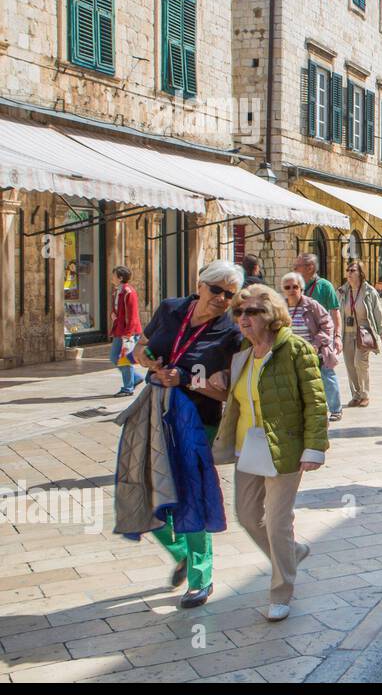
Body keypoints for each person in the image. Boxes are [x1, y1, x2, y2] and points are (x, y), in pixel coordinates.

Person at [129, 260, 244, 608]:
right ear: (200, 285)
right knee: (145, 489)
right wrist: (151, 363)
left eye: (230, 294)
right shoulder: (170, 309)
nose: (222, 299)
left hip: (198, 420)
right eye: (217, 290)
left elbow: (228, 393)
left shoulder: (230, 334)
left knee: (190, 495)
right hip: (155, 411)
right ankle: (179, 552)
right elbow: (138, 349)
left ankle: (200, 578)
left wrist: (186, 379)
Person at [214, 284, 326, 622]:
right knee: (247, 515)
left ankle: (281, 591)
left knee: (277, 521)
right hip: (249, 444)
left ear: (271, 314)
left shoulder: (295, 349)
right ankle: (292, 553)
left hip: (286, 445)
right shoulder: (242, 354)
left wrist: (314, 447)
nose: (244, 319)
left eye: (252, 312)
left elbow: (316, 403)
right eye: (239, 312)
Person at [294, 253, 344, 423]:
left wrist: (337, 336)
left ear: (310, 268)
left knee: (326, 372)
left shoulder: (325, 286)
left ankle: (336, 408)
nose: (294, 269)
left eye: (297, 266)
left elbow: (335, 312)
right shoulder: (295, 287)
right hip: (300, 340)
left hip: (320, 340)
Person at [339, 260, 382, 408]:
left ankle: (365, 394)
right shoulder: (342, 291)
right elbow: (336, 311)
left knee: (360, 363)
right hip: (347, 332)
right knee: (349, 365)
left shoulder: (369, 291)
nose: (349, 273)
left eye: (352, 270)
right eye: (348, 270)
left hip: (364, 332)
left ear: (361, 273)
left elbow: (378, 312)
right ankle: (356, 395)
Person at [280, 272, 338, 380]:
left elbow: (328, 325)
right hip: (291, 358)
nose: (291, 290)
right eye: (287, 287)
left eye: (295, 287)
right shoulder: (280, 308)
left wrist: (316, 344)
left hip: (313, 357)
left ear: (301, 288)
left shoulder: (312, 305)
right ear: (283, 290)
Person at [109, 265, 145, 396]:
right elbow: (117, 309)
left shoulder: (129, 292)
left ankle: (128, 388)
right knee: (114, 357)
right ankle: (135, 378)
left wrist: (129, 333)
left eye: (114, 275)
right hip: (119, 330)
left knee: (125, 359)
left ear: (120, 277)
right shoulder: (116, 291)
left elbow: (133, 314)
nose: (112, 277)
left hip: (128, 331)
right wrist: (113, 314)